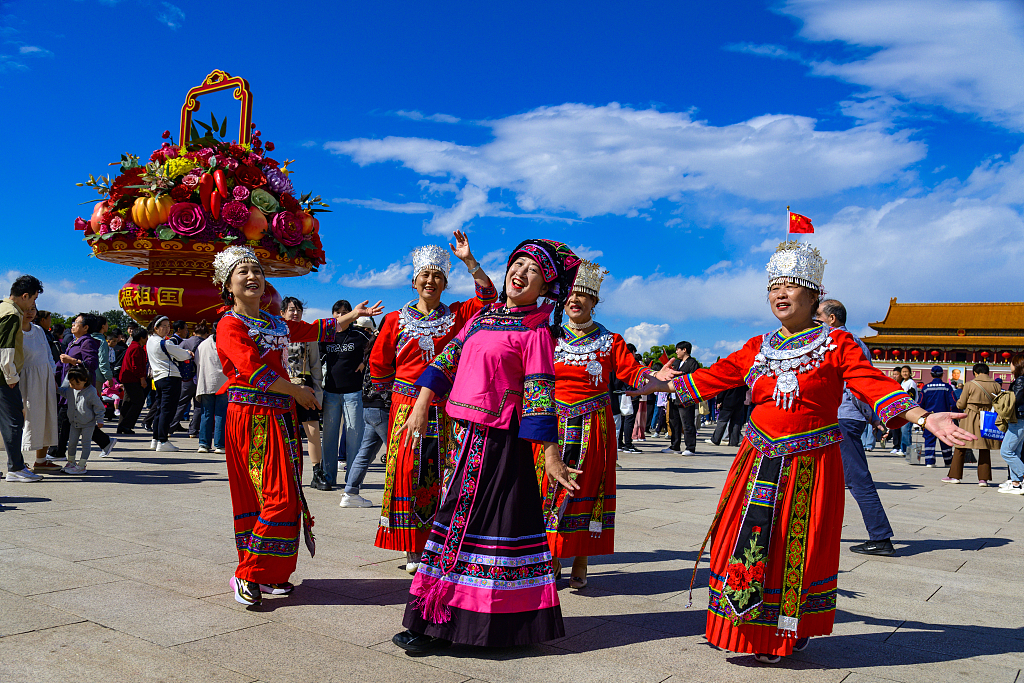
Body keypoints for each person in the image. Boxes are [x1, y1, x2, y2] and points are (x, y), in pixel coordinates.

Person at [634, 241, 971, 664]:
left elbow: (872, 383)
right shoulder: (757, 346)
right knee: (745, 541)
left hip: (809, 463)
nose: (780, 293)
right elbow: (711, 378)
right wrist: (655, 382)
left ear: (814, 296)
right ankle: (740, 622)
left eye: (791, 286)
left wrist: (924, 417)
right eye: (774, 285)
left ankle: (790, 627)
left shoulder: (837, 343)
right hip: (756, 460)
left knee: (797, 546)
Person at [391, 238, 581, 653]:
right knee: (463, 527)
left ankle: (448, 622)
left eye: (534, 271)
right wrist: (422, 403)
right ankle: (453, 620)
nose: (521, 273)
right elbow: (448, 358)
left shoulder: (538, 331)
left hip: (499, 444)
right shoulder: (483, 317)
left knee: (469, 529)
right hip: (467, 438)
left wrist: (551, 455)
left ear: (546, 286)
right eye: (518, 264)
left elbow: (541, 393)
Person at [212, 245, 383, 608]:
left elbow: (315, 329)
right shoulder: (229, 324)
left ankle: (272, 574)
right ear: (228, 285)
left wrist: (353, 314)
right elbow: (251, 369)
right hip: (252, 418)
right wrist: (300, 392)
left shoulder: (275, 322)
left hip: (281, 417)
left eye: (256, 270)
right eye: (242, 271)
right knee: (275, 497)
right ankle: (247, 571)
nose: (252, 276)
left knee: (286, 499)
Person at [537, 260, 674, 590]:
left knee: (586, 488)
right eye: (571, 294)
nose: (576, 300)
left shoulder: (610, 340)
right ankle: (552, 555)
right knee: (549, 489)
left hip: (592, 428)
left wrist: (653, 378)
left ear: (595, 303)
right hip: (553, 425)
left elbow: (631, 371)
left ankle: (581, 555)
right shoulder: (547, 335)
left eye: (584, 295)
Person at [369, 232, 498, 571]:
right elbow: (380, 363)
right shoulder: (396, 319)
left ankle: (437, 543)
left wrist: (469, 260)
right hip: (405, 405)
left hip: (446, 407)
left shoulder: (457, 315)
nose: (430, 280)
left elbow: (489, 297)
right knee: (406, 470)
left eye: (437, 275)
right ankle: (412, 547)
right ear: (414, 282)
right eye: (425, 275)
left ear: (445, 283)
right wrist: (391, 399)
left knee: (443, 470)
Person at [816, 299, 896, 556]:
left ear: (831, 319)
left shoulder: (842, 342)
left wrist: (874, 418)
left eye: (818, 316)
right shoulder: (848, 341)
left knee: (857, 478)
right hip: (841, 418)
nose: (814, 321)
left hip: (843, 419)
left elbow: (858, 386)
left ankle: (881, 536)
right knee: (829, 477)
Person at [319, 299, 373, 492]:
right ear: (333, 315)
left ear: (351, 315)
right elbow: (315, 358)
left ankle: (352, 480)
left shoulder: (359, 335)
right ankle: (328, 477)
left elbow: (376, 346)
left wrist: (365, 363)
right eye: (337, 312)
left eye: (345, 312)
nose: (341, 316)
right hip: (331, 393)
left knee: (354, 437)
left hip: (353, 393)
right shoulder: (326, 336)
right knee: (330, 438)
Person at [1, 275, 46, 483]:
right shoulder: (11, 314)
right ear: (25, 295)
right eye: (33, 299)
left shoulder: (2, 308)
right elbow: (6, 348)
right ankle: (16, 468)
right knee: (14, 421)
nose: (32, 305)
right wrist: (11, 375)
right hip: (3, 377)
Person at [53, 313, 116, 461]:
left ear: (85, 327)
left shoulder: (87, 342)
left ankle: (58, 451)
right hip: (70, 386)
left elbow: (92, 365)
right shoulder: (75, 341)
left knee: (65, 418)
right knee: (76, 419)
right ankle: (105, 442)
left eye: (76, 323)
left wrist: (72, 360)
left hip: (79, 388)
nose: (72, 325)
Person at [340, 316, 386, 507]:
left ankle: (350, 493)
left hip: (369, 405)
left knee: (364, 453)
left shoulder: (372, 344)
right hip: (384, 406)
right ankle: (401, 496)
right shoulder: (388, 346)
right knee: (399, 453)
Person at [280, 298, 327, 482]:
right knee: (288, 432)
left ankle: (317, 472)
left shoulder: (308, 332)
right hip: (284, 385)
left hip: (305, 382)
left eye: (298, 310)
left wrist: (318, 392)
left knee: (313, 431)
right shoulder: (277, 332)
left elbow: (316, 366)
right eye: (291, 310)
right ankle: (289, 472)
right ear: (282, 312)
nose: (295, 313)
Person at [943, 363, 1001, 486]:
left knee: (961, 446)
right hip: (986, 418)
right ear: (988, 372)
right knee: (985, 448)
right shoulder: (996, 385)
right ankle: (983, 479)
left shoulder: (970, 384)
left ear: (975, 372)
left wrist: (959, 404)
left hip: (970, 417)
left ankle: (955, 476)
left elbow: (961, 404)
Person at [20, 307, 59, 473]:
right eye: (26, 310)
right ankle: (17, 462)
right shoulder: (13, 330)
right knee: (22, 421)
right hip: (24, 380)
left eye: (33, 310)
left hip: (45, 378)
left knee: (46, 418)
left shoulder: (38, 330)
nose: (30, 313)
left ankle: (41, 460)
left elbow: (48, 354)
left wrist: (52, 374)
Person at [146, 315, 193, 452]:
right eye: (164, 326)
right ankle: (163, 440)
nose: (167, 329)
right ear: (156, 328)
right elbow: (183, 355)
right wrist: (189, 353)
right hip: (170, 377)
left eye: (168, 326)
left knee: (160, 409)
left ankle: (155, 439)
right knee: (168, 410)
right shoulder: (164, 343)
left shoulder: (150, 341)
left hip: (158, 378)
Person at [56, 366, 105, 474]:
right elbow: (64, 392)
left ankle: (82, 465)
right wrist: (57, 389)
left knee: (85, 443)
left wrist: (100, 419)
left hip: (88, 423)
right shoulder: (70, 389)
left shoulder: (91, 391)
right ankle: (71, 462)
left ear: (85, 380)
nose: (74, 387)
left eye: (77, 384)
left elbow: (99, 406)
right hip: (74, 422)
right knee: (72, 443)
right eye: (71, 384)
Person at [195, 330, 228, 453]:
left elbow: (196, 361)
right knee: (221, 414)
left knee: (206, 414)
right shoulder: (226, 343)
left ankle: (203, 444)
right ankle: (219, 444)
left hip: (206, 382)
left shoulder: (202, 344)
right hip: (223, 383)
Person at [663, 341, 698, 455]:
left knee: (687, 422)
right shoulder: (677, 363)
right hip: (673, 396)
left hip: (685, 397)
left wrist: (680, 375)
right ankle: (675, 445)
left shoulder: (692, 363)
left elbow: (694, 378)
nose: (676, 351)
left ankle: (690, 447)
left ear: (685, 350)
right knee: (674, 423)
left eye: (678, 349)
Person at [919, 366, 956, 467]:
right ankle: (948, 462)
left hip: (929, 418)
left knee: (929, 440)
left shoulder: (925, 388)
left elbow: (920, 404)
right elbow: (953, 403)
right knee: (945, 440)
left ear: (931, 374)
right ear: (942, 374)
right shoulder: (947, 387)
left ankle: (930, 462)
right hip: (944, 418)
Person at [998, 354, 1024, 494]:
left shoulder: (1020, 380)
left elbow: (1015, 400)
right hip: (1020, 418)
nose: (1010, 365)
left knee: (1006, 451)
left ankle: (1021, 478)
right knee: (1016, 452)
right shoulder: (1020, 380)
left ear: (1018, 365)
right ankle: (1016, 483)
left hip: (1018, 419)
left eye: (1011, 363)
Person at [117, 328, 149, 434]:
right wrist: (142, 379)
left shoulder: (132, 346)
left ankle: (122, 425)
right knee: (138, 401)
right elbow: (136, 366)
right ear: (142, 338)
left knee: (127, 402)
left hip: (127, 378)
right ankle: (126, 425)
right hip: (133, 379)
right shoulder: (137, 348)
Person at [898, 366, 918, 454]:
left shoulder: (911, 383)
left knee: (906, 430)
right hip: (902, 409)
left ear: (910, 373)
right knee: (903, 430)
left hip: (909, 408)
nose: (905, 373)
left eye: (906, 372)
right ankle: (903, 448)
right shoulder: (903, 382)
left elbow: (911, 396)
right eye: (903, 372)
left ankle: (906, 449)